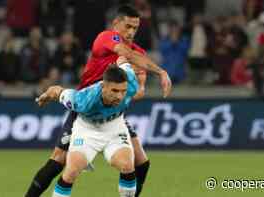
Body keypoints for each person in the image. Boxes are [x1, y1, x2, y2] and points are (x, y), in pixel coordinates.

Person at [24, 5, 172, 197]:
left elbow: (139, 90)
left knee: (141, 163)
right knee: (58, 161)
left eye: (135, 28)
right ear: (115, 24)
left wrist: (126, 93)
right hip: (85, 108)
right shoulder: (107, 39)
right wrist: (160, 71)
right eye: (127, 26)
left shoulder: (138, 54)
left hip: (113, 112)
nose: (131, 32)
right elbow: (125, 54)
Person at [36, 58, 143, 197]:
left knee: (127, 166)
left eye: (123, 91)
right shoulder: (84, 100)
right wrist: (46, 95)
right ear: (103, 86)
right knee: (71, 171)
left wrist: (122, 61)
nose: (120, 96)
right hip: (87, 131)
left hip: (115, 127)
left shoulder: (131, 84)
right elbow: (57, 91)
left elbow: (123, 60)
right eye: (115, 91)